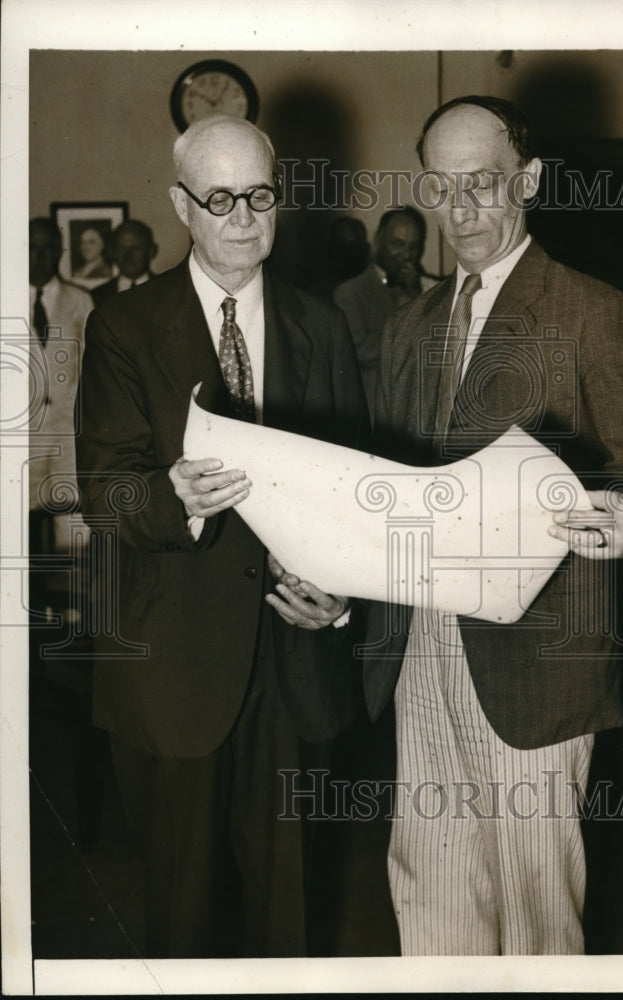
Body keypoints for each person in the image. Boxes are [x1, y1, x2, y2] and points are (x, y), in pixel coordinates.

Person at [363, 96, 623, 956]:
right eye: (441, 187)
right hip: (417, 650)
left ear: (530, 180)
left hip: (536, 670)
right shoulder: (408, 326)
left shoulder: (589, 311)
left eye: (481, 183)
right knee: (430, 901)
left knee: (536, 915)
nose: (460, 210)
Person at [75, 114, 369, 958]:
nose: (244, 217)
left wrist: (341, 595)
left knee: (291, 922)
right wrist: (172, 497)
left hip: (294, 669)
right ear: (181, 205)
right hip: (173, 672)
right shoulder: (127, 328)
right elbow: (104, 489)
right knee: (185, 922)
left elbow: (354, 494)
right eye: (220, 198)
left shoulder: (322, 325)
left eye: (261, 195)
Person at [28, 217, 93, 557]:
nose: (39, 256)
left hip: (69, 437)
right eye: (31, 248)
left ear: (58, 251)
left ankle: (73, 609)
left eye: (47, 248)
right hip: (19, 443)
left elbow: (94, 373)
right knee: (21, 539)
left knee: (72, 536)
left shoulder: (80, 301)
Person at [334, 206, 437, 419]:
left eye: (414, 247)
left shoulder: (429, 290)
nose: (407, 256)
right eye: (397, 245)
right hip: (377, 414)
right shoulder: (349, 293)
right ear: (378, 240)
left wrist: (416, 294)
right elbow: (360, 351)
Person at [91, 219, 158, 305]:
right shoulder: (96, 297)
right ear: (112, 252)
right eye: (121, 249)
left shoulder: (168, 291)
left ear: (151, 251)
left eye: (136, 249)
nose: (128, 256)